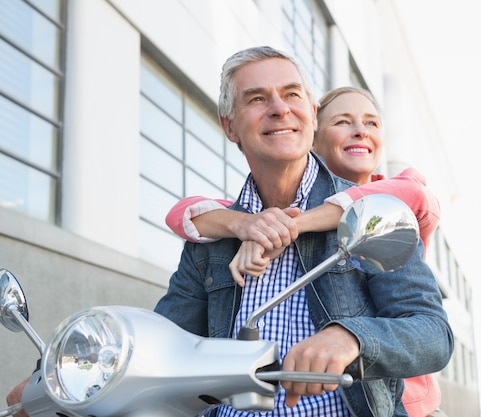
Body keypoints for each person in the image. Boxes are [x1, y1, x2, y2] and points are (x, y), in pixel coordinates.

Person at [7, 46, 453, 417]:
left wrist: (352, 337)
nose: (280, 109)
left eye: (291, 94)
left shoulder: (372, 214)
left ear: (312, 115)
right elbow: (158, 337)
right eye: (257, 99)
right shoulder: (215, 239)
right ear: (230, 126)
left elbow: (433, 333)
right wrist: (57, 375)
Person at [165, 86, 445, 417]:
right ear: (313, 134)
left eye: (372, 123)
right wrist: (246, 224)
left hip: (403, 398)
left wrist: (289, 225)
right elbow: (186, 211)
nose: (360, 130)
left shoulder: (391, 207)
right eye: (343, 121)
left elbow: (397, 197)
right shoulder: (254, 219)